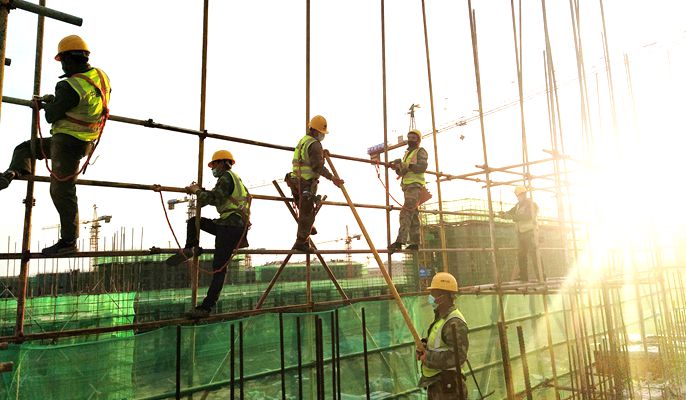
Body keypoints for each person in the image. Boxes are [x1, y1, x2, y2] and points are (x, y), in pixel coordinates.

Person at [0, 35, 111, 255]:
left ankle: (69, 241)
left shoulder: (69, 85)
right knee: (26, 148)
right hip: (87, 141)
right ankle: (14, 171)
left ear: (68, 59)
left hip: (66, 143)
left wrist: (46, 104)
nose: (62, 66)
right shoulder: (100, 76)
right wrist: (57, 100)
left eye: (62, 61)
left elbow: (51, 116)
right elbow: (82, 103)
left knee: (61, 190)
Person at [166, 150, 251, 319]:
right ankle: (191, 248)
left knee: (219, 269)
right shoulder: (235, 179)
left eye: (214, 165)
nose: (213, 169)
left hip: (230, 226)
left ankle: (206, 307)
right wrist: (199, 192)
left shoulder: (226, 177)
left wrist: (197, 191)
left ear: (222, 163)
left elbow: (215, 199)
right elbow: (214, 197)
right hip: (230, 225)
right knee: (194, 222)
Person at [287, 115, 343, 252]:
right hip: (305, 183)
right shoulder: (315, 144)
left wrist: (321, 154)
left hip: (295, 180)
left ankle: (308, 229)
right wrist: (332, 178)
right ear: (315, 131)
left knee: (305, 211)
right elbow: (317, 166)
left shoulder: (304, 140)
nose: (322, 135)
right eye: (321, 132)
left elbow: (306, 158)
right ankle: (301, 242)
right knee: (307, 213)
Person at [417, 272, 469, 399]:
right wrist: (424, 345)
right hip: (438, 384)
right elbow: (438, 343)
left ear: (443, 296)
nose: (430, 297)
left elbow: (458, 356)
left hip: (449, 387)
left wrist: (428, 357)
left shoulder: (454, 322)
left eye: (433, 294)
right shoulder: (441, 318)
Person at [389, 129, 428, 252]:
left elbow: (422, 167)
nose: (410, 140)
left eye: (413, 138)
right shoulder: (407, 154)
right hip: (407, 187)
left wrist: (407, 165)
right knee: (413, 214)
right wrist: (397, 167)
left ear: (418, 140)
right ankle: (415, 243)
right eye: (409, 137)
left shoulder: (420, 151)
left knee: (405, 213)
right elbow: (403, 172)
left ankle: (400, 241)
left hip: (415, 186)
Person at [499, 186, 540, 282]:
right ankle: (524, 276)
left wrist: (512, 217)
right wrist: (503, 214)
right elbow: (510, 213)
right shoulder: (518, 206)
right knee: (521, 255)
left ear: (524, 194)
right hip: (521, 233)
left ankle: (541, 276)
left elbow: (527, 216)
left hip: (530, 232)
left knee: (534, 254)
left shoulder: (532, 204)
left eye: (521, 195)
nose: (519, 197)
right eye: (518, 195)